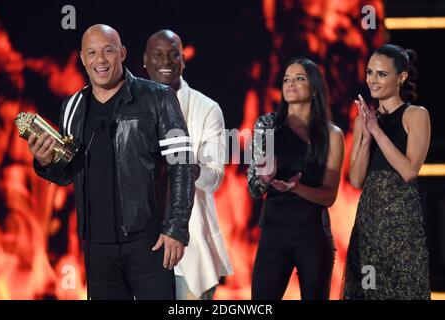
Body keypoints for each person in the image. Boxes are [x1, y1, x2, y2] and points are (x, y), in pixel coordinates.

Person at [27, 24, 197, 300]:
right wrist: (46, 162)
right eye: (92, 52)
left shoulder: (157, 97)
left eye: (108, 50)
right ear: (82, 58)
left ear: (122, 53)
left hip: (149, 243)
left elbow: (182, 165)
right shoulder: (72, 107)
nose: (101, 59)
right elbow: (67, 172)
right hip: (97, 247)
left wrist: (176, 229)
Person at [143, 29, 233, 300]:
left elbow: (214, 178)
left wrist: (184, 166)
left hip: (190, 251)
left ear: (184, 60)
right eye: (158, 55)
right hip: (139, 250)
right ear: (144, 60)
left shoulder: (207, 109)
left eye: (173, 55)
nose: (166, 62)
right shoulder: (128, 107)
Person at [247, 58, 344, 300]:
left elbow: (329, 195)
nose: (291, 83)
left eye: (299, 78)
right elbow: (253, 189)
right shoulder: (267, 126)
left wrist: (296, 187)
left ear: (314, 87)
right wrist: (265, 179)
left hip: (313, 234)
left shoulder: (332, 135)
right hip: (273, 231)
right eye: (287, 79)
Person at [342, 44, 431, 300]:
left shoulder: (416, 115)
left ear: (401, 77)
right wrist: (367, 136)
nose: (372, 80)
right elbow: (356, 180)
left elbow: (409, 170)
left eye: (381, 74)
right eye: (370, 72)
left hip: (401, 225)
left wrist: (378, 131)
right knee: (367, 292)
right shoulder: (364, 119)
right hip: (369, 222)